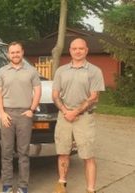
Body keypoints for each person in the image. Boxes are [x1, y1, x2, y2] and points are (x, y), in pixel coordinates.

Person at [52, 38, 105, 193]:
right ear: (70, 51)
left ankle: (90, 189)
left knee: (88, 155)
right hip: (64, 116)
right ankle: (61, 185)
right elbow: (55, 95)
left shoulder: (94, 71)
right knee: (63, 153)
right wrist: (65, 111)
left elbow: (94, 96)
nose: (77, 51)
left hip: (84, 118)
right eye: (74, 48)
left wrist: (75, 112)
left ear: (86, 50)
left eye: (81, 48)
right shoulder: (61, 71)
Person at [0, 41, 41, 193]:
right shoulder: (2, 71)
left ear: (22, 52)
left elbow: (37, 91)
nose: (15, 54)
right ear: (8, 54)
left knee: (23, 153)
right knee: (6, 152)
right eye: (12, 52)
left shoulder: (32, 71)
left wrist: (32, 110)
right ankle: (7, 186)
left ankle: (23, 186)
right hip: (7, 114)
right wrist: (2, 113)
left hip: (24, 115)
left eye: (17, 52)